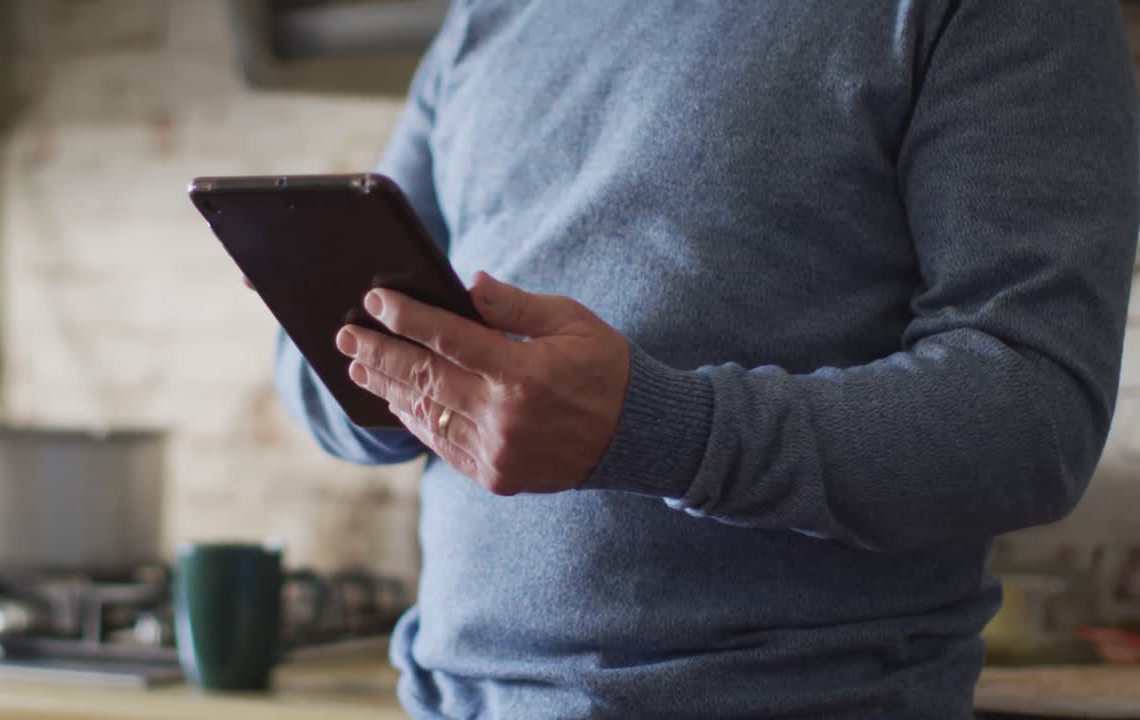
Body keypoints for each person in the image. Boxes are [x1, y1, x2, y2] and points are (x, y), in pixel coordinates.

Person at [274, 1, 1140, 718]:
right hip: (450, 700)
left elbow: (1038, 411)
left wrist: (657, 430)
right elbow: (329, 383)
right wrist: (341, 332)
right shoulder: (488, 17)